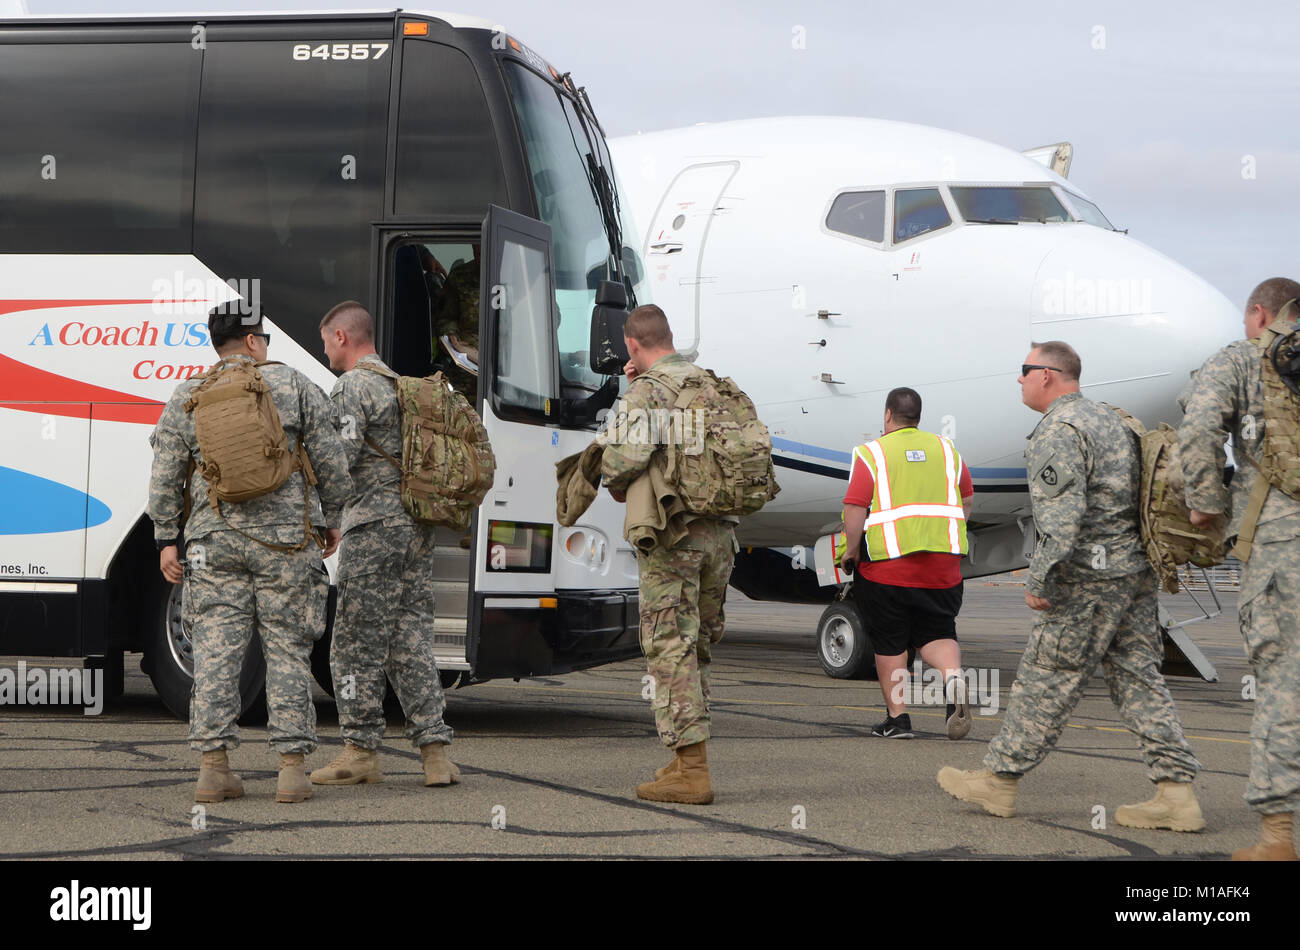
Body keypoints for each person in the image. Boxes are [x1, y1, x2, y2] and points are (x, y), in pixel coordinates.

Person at [938, 341, 1204, 829]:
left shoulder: (1058, 431)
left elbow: (1062, 520)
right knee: (1139, 678)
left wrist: (1040, 578)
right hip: (1133, 573)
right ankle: (1176, 792)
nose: (1018, 379)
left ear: (1047, 375)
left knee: (1046, 677)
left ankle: (1000, 780)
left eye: (1024, 370)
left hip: (1088, 580)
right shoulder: (1115, 419)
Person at [148, 302, 351, 804]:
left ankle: (214, 770)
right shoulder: (295, 385)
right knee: (287, 649)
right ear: (256, 341)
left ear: (217, 345)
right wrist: (331, 520)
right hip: (286, 543)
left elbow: (165, 477)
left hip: (213, 544)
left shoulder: (189, 395)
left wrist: (165, 539)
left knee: (217, 651)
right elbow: (331, 463)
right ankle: (291, 771)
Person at [310, 301, 460, 789]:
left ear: (341, 337)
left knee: (354, 642)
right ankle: (435, 754)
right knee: (410, 638)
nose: (326, 351)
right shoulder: (402, 385)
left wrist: (322, 520)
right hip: (416, 527)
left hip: (373, 531)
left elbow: (338, 462)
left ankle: (359, 751)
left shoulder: (354, 386)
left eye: (325, 341)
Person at [1178, 277, 1300, 860]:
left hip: (1281, 548)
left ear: (1258, 313)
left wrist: (1206, 501)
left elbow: (1200, 426)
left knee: (1281, 687)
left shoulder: (1243, 360)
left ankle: (1277, 839)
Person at [600, 304, 736, 805]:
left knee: (668, 646)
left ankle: (693, 772)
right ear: (669, 338)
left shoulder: (646, 393)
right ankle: (684, 759)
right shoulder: (714, 386)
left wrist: (629, 392)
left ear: (632, 346)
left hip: (672, 535)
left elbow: (616, 463)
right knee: (695, 645)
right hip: (721, 538)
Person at [838, 387, 974, 740]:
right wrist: (950, 538)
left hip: (888, 568)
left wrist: (851, 550)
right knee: (938, 631)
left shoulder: (872, 453)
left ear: (887, 415)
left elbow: (855, 508)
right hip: (943, 568)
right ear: (918, 416)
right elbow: (967, 498)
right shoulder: (947, 450)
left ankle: (898, 720)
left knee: (890, 642)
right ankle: (953, 678)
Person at [433, 245, 480, 405]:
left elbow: (550, 315)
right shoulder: (460, 276)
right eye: (477, 248)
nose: (479, 252)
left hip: (508, 373)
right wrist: (452, 338)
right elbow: (445, 317)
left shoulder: (518, 273)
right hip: (466, 371)